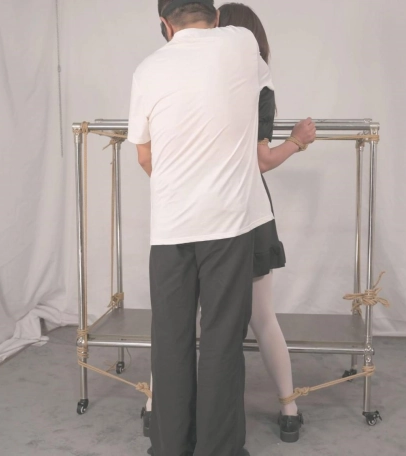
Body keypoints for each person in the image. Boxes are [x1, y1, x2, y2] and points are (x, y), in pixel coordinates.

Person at [128, 1, 312, 454]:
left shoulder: (147, 70)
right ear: (214, 18)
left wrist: (181, 189)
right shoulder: (243, 42)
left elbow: (144, 156)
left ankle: (169, 447)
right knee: (221, 341)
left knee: (170, 341)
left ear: (164, 24)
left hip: (169, 229)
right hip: (227, 226)